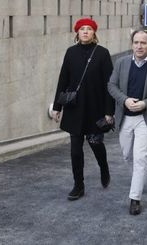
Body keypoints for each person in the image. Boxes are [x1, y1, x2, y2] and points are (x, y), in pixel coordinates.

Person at [107, 29, 147, 215]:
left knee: (141, 158)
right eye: (136, 42)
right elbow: (111, 85)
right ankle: (139, 177)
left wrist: (145, 104)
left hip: (145, 118)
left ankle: (135, 198)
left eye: (143, 43)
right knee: (128, 155)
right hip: (125, 117)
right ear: (132, 44)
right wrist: (124, 100)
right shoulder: (121, 63)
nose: (139, 46)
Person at [52, 18, 115, 201]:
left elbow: (109, 84)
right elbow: (63, 80)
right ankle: (78, 185)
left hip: (95, 108)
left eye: (89, 29)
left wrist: (108, 112)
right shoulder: (70, 53)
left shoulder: (102, 53)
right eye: (82, 29)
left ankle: (104, 168)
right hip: (74, 108)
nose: (85, 32)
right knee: (75, 150)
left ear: (94, 33)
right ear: (77, 33)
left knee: (96, 144)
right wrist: (57, 106)